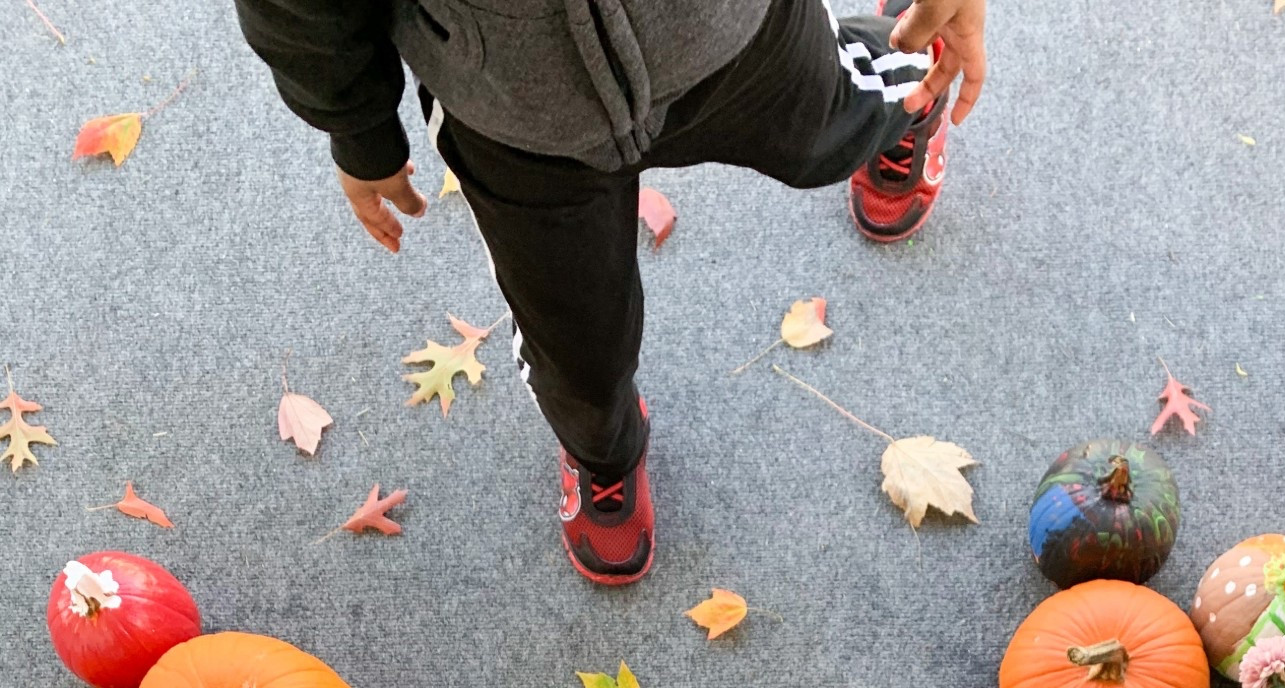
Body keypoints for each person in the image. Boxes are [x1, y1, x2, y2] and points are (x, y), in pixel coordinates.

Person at [230, 0, 987, 586]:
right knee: (574, 342)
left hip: (733, 37)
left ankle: (908, 93)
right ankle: (604, 453)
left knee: (834, 122)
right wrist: (355, 123)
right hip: (515, 113)